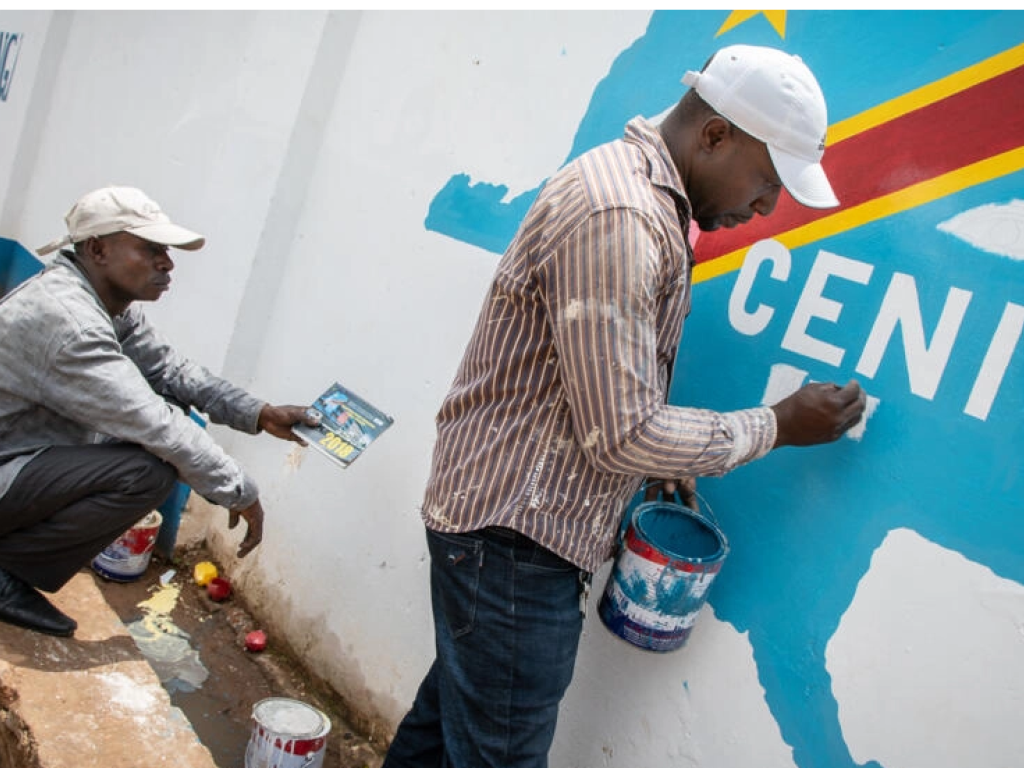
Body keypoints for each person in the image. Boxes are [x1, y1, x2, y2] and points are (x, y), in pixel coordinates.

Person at [383, 44, 867, 768]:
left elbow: (600, 398)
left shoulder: (643, 200)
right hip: (515, 540)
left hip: (507, 526)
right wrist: (777, 425)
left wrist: (657, 457)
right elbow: (623, 433)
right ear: (714, 135)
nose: (767, 206)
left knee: (444, 732)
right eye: (767, 181)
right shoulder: (621, 215)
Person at [0, 185, 317, 638]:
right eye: (150, 250)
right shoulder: (70, 322)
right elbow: (155, 423)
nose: (167, 263)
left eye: (165, 251)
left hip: (19, 456)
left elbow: (169, 369)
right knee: (147, 469)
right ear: (98, 248)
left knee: (144, 443)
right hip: (11, 461)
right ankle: (7, 572)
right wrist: (239, 491)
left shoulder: (101, 303)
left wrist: (260, 413)